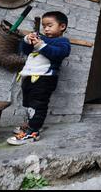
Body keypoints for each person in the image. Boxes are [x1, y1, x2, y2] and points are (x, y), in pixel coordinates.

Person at [7, 11, 71, 146]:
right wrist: (26, 40)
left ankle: (33, 132)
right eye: (44, 26)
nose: (46, 29)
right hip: (29, 76)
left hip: (45, 78)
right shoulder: (39, 38)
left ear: (62, 26)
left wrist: (41, 44)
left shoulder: (62, 42)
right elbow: (25, 50)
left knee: (38, 104)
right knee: (29, 102)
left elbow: (59, 54)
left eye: (49, 25)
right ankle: (32, 124)